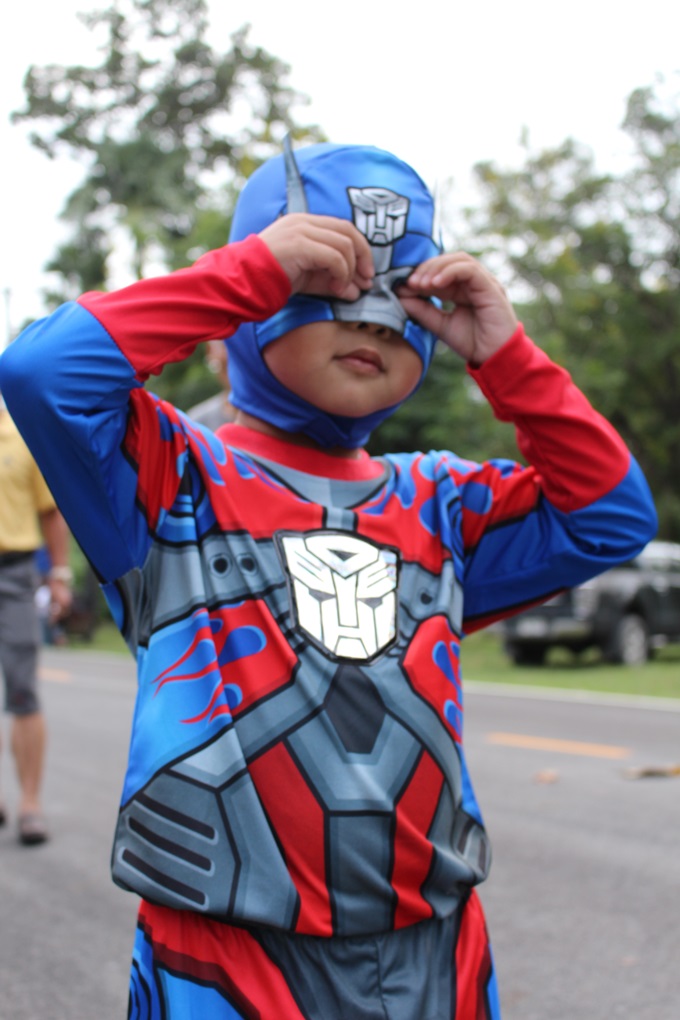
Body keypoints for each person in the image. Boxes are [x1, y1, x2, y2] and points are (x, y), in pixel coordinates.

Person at [0, 141, 657, 1017]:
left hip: (438, 949)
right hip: (225, 959)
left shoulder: (443, 507)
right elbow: (42, 373)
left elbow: (610, 514)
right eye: (330, 284)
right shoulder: (171, 483)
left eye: (403, 297)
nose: (374, 321)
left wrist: (507, 355)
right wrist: (248, 274)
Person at [0, 393, 72, 844]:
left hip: (14, 575)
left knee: (23, 689)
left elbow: (50, 512)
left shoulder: (20, 433)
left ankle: (30, 803)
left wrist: (59, 576)